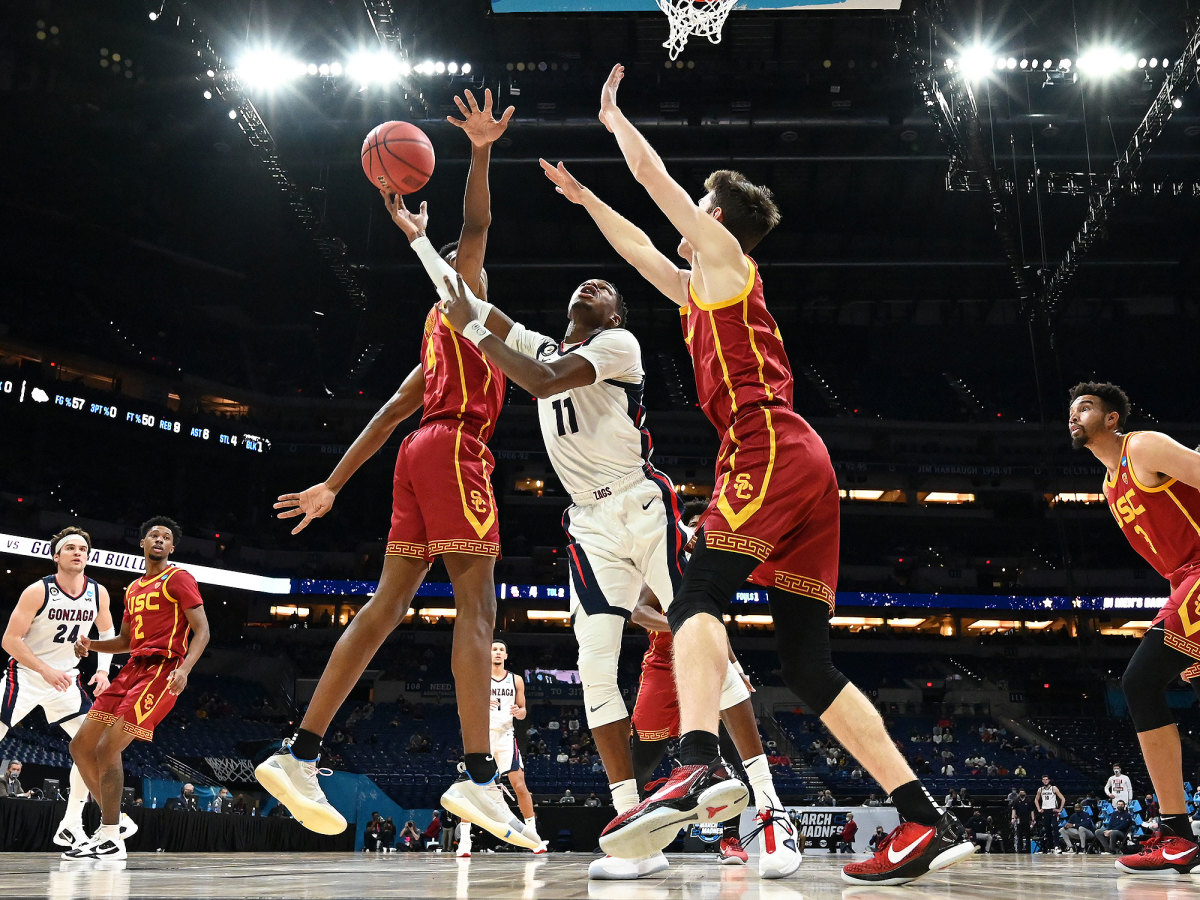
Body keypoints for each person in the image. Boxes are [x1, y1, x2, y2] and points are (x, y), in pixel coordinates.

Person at [539, 63, 972, 887]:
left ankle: (698, 761)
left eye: (699, 204)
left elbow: (656, 185)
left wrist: (615, 122)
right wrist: (587, 200)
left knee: (696, 596)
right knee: (808, 665)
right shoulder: (698, 291)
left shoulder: (729, 259)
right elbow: (639, 248)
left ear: (715, 218)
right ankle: (923, 817)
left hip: (765, 442)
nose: (687, 214)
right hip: (800, 464)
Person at [254, 90, 536, 854]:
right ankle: (478, 774)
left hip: (415, 456)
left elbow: (385, 418)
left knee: (385, 607)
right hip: (454, 451)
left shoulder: (433, 338)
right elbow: (475, 227)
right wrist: (480, 151)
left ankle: (300, 753)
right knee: (477, 611)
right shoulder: (466, 306)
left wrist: (333, 485)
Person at [437, 220, 696, 881]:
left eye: (605, 287)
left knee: (700, 638)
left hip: (639, 499)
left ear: (614, 315)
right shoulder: (546, 343)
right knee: (595, 670)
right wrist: (426, 252)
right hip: (588, 519)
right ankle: (633, 830)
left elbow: (540, 379)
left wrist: (474, 329)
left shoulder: (618, 345)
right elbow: (477, 305)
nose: (592, 284)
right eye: (587, 283)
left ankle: (766, 808)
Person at [621, 508, 799, 879]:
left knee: (730, 755)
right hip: (663, 665)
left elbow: (715, 627)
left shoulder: (716, 570)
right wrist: (683, 622)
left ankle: (730, 839)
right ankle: (634, 837)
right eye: (698, 527)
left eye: (708, 528)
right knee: (641, 759)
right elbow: (638, 612)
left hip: (708, 661)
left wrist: (736, 668)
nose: (703, 533)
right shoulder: (666, 564)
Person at [1069, 382, 1200, 874]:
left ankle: (1178, 833)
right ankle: (1179, 835)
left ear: (1112, 419)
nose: (1074, 415)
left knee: (1141, 681)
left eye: (1085, 407)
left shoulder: (1143, 446)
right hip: (1183, 582)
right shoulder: (1109, 485)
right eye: (1071, 409)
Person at [66, 516, 211, 861]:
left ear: (172, 547)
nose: (159, 540)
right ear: (142, 543)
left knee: (107, 747)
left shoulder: (179, 578)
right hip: (132, 668)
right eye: (153, 535)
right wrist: (91, 645)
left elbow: (203, 630)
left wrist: (185, 669)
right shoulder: (132, 588)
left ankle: (110, 836)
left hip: (163, 669)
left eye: (166, 537)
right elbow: (126, 641)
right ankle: (116, 823)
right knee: (80, 746)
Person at [0, 526, 115, 847]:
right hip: (26, 675)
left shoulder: (98, 592)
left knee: (94, 748)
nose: (78, 552)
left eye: (83, 549)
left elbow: (107, 633)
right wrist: (44, 670)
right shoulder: (38, 590)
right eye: (70, 548)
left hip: (65, 681)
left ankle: (71, 823)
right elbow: (10, 640)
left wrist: (103, 671)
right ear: (56, 556)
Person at [457, 640, 545, 856]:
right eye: (494, 649)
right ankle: (465, 841)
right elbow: (462, 708)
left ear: (506, 655)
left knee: (520, 785)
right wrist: (480, 704)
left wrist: (519, 711)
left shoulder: (516, 680)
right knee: (472, 787)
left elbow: (523, 711)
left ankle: (533, 836)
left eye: (501, 650)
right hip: (482, 737)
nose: (497, 652)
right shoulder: (478, 677)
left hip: (506, 736)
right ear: (488, 654)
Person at [1034, 775, 1066, 853]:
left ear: (1049, 780)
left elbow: (1063, 799)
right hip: (1045, 811)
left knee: (1055, 828)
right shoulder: (1040, 789)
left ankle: (1057, 846)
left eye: (1046, 779)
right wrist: (1038, 809)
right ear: (1042, 781)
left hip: (1053, 810)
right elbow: (1036, 800)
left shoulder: (1053, 788)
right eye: (1044, 779)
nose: (1045, 781)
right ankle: (1050, 847)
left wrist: (1060, 809)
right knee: (1047, 830)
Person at [1010, 789, 1036, 854]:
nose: (1022, 793)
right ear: (1019, 793)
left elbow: (1032, 811)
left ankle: (1028, 849)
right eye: (1021, 792)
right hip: (1019, 819)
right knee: (1019, 834)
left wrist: (1033, 819)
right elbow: (1014, 810)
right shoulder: (1016, 800)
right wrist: (1013, 818)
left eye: (1023, 792)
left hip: (1027, 819)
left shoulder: (1029, 800)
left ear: (1025, 793)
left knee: (1027, 835)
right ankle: (1020, 849)